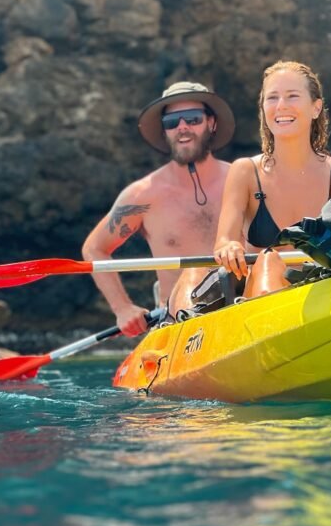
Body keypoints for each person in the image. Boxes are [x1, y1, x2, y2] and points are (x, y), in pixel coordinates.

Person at [82, 81, 236, 336]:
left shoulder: (244, 180)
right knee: (193, 273)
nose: (183, 127)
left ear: (212, 123)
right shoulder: (143, 196)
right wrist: (123, 309)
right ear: (165, 132)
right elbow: (94, 248)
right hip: (181, 324)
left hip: (244, 309)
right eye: (172, 122)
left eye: (193, 118)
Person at [214, 60, 331, 295]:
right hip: (262, 299)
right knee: (269, 260)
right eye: (272, 98)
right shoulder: (245, 172)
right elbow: (223, 241)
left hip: (330, 293)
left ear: (316, 108)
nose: (281, 106)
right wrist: (229, 247)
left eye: (292, 96)